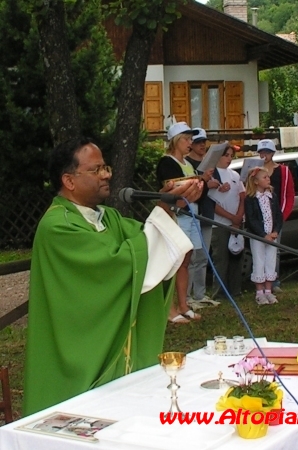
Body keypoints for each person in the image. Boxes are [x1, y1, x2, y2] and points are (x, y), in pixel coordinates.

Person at [23, 137, 199, 415]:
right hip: (80, 350)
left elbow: (148, 247)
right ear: (69, 180)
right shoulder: (58, 226)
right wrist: (165, 210)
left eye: (106, 167)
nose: (107, 174)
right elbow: (122, 263)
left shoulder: (108, 217)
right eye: (96, 170)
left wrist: (170, 204)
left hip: (102, 340)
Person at [156, 122, 203, 323]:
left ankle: (184, 304)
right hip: (177, 215)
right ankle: (170, 307)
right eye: (187, 139)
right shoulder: (166, 162)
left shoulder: (188, 163)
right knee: (174, 262)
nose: (190, 143)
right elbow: (170, 189)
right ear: (177, 140)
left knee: (186, 260)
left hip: (191, 213)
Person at [185, 128, 222, 308]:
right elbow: (191, 185)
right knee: (190, 257)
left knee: (203, 256)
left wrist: (217, 184)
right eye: (198, 142)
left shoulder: (210, 163)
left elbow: (216, 182)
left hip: (207, 211)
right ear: (190, 144)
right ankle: (187, 296)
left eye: (204, 142)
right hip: (193, 213)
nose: (202, 145)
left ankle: (200, 294)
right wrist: (205, 181)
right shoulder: (186, 163)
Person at [257, 139, 295, 293]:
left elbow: (289, 195)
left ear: (273, 153)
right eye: (262, 152)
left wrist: (282, 216)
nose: (264, 155)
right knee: (259, 249)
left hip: (276, 216)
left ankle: (273, 281)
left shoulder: (283, 171)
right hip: (259, 217)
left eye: (267, 152)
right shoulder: (255, 172)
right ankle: (260, 280)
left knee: (275, 249)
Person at [209, 144, 246, 298]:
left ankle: (235, 290)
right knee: (221, 259)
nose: (229, 159)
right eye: (226, 155)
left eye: (231, 156)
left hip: (236, 222)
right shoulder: (212, 176)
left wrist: (237, 219)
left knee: (236, 257)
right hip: (219, 223)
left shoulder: (235, 176)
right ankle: (218, 292)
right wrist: (230, 217)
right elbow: (212, 203)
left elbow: (242, 196)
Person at [244, 167, 284, 305]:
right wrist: (262, 234)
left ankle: (269, 291)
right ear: (255, 181)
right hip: (258, 236)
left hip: (272, 235)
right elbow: (251, 219)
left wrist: (275, 231)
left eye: (268, 177)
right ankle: (259, 292)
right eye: (264, 177)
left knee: (271, 261)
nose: (268, 179)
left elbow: (278, 215)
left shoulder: (272, 196)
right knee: (259, 261)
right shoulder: (251, 198)